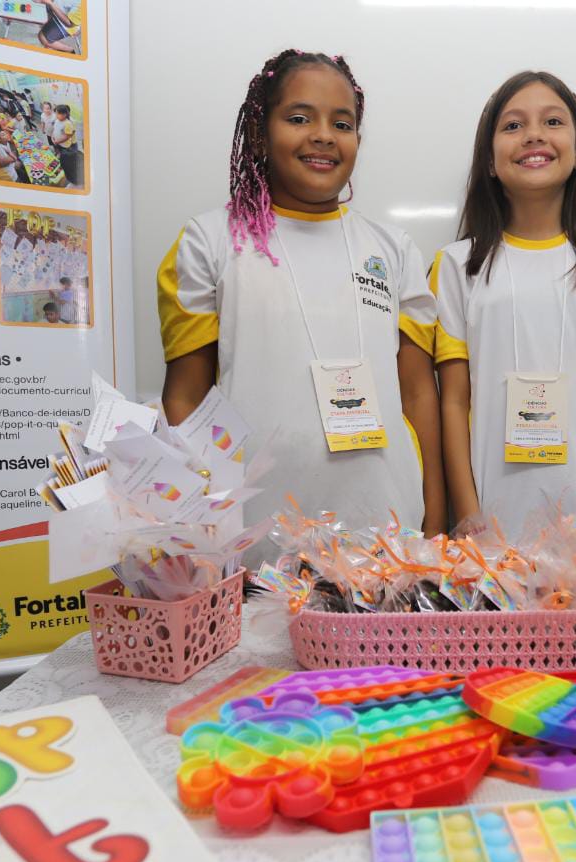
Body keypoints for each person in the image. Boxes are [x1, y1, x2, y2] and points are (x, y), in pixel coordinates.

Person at [158, 49, 445, 540]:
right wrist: (192, 534)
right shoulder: (208, 242)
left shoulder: (393, 251)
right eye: (298, 118)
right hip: (251, 539)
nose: (323, 136)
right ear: (259, 133)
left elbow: (420, 396)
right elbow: (186, 397)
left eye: (343, 123)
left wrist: (436, 525)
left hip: (386, 537)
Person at [435, 71, 576, 542]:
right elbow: (453, 401)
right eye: (513, 125)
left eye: (553, 121)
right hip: (495, 534)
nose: (534, 134)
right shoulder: (457, 268)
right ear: (491, 162)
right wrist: (469, 516)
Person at [50, 104, 82, 187]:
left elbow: (68, 136)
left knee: (68, 160)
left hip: (67, 146)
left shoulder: (68, 123)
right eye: (56, 113)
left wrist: (58, 141)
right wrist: (53, 137)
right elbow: (55, 129)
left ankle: (71, 175)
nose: (55, 115)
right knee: (62, 156)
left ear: (64, 114)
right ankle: (62, 162)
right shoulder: (57, 120)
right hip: (59, 143)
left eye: (57, 113)